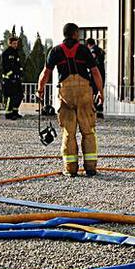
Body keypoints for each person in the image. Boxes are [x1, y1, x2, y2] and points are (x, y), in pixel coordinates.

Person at [38, 23, 104, 177]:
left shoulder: (55, 51)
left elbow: (45, 73)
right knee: (88, 131)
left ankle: (70, 169)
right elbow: (95, 72)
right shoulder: (83, 50)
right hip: (84, 93)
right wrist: (100, 92)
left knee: (69, 132)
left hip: (66, 93)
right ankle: (90, 168)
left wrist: (40, 90)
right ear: (75, 34)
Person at [1, 36, 24, 120]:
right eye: (14, 43)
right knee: (11, 96)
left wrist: (20, 74)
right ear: (9, 43)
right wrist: (11, 75)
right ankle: (9, 113)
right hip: (9, 79)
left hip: (17, 78)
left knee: (20, 95)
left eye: (16, 43)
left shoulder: (16, 53)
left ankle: (15, 111)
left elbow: (18, 65)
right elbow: (5, 66)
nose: (15, 45)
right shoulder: (6, 53)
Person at [86, 38, 106, 119]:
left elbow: (92, 58)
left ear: (88, 45)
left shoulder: (93, 50)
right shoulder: (100, 50)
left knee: (93, 92)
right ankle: (100, 111)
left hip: (95, 74)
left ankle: (94, 110)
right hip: (102, 74)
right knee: (100, 91)